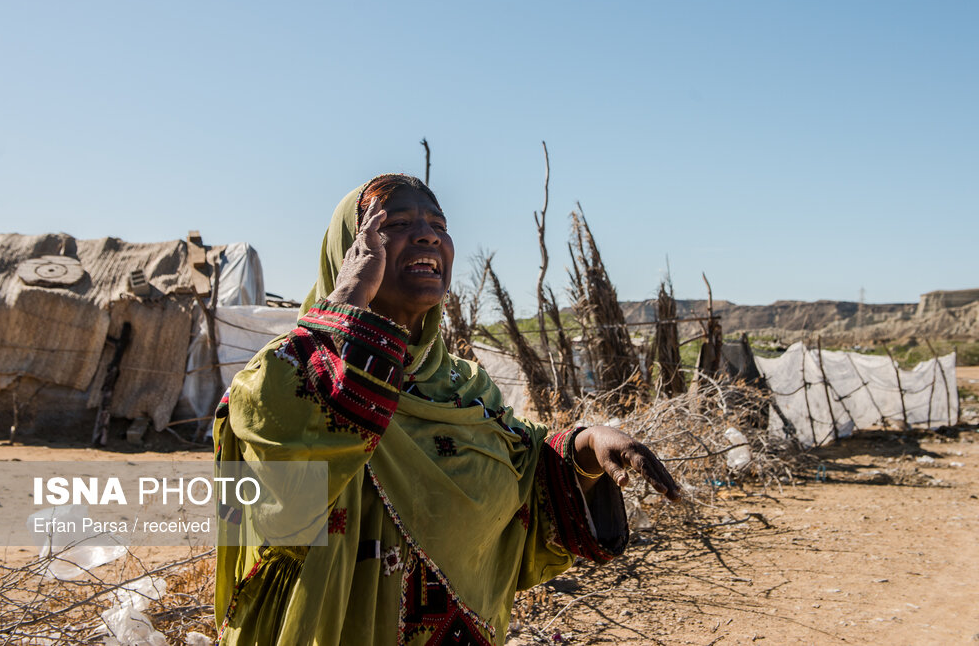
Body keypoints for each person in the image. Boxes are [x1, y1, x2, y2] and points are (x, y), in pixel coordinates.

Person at [213, 174, 680, 645]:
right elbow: (284, 489)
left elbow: (526, 475)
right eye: (394, 222)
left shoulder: (464, 388)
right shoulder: (282, 373)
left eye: (438, 223)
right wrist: (349, 300)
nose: (427, 234)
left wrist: (584, 446)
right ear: (347, 252)